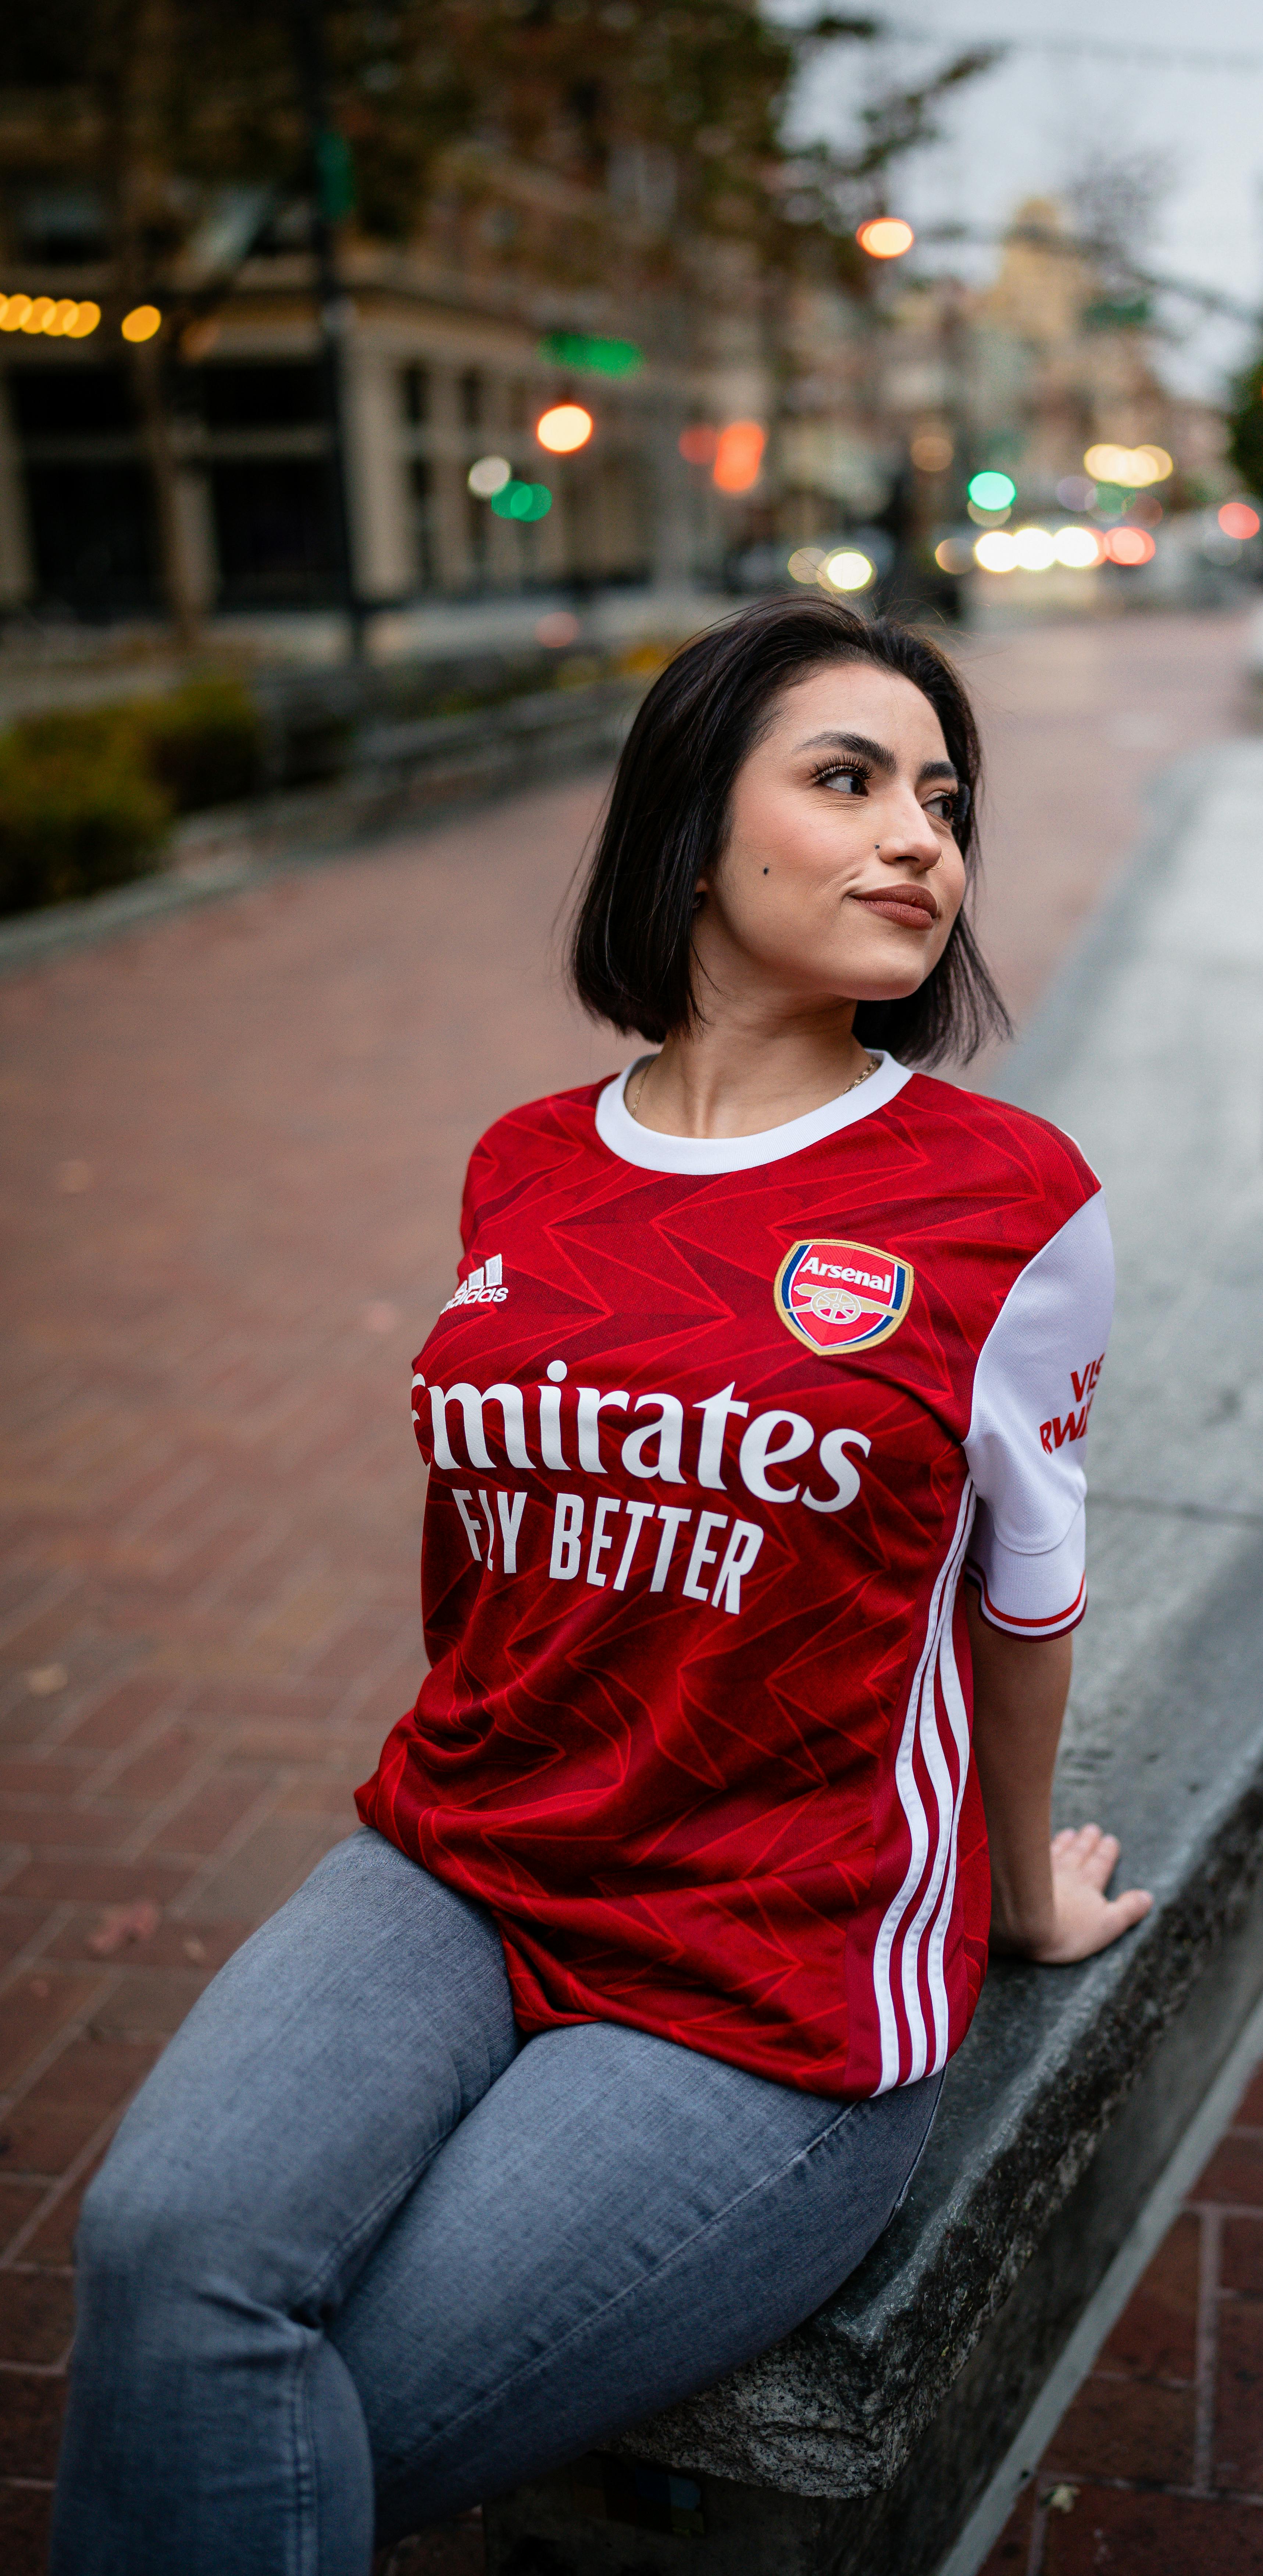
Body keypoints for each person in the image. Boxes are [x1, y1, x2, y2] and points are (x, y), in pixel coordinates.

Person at [49, 593, 1151, 2573]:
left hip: (766, 1974)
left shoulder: (1004, 1204)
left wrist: (1006, 1897)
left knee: (308, 2409)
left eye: (944, 798)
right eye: (849, 779)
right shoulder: (526, 1166)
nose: (923, 837)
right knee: (158, 2252)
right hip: (460, 1860)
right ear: (689, 833)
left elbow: (1027, 1597)